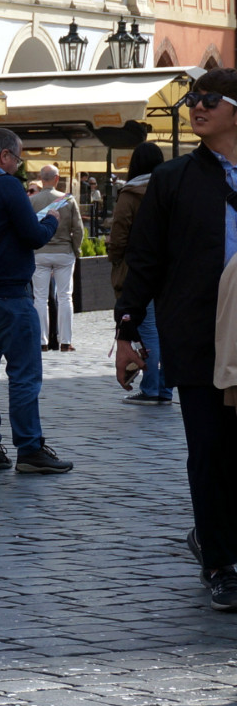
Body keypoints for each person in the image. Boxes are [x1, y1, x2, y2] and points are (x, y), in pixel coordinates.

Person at [113, 71, 237, 611]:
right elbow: (144, 261)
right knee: (209, 451)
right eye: (192, 100)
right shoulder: (173, 179)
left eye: (209, 99)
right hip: (197, 334)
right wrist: (126, 332)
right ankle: (220, 561)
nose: (196, 107)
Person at [0, 128, 72, 476]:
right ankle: (30, 449)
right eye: (17, 158)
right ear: (5, 155)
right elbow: (32, 235)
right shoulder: (7, 185)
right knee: (23, 374)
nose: (18, 165)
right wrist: (51, 220)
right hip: (8, 292)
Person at [107, 141, 170, 404]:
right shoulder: (169, 189)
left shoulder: (130, 194)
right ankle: (165, 388)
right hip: (171, 269)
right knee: (165, 330)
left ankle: (152, 388)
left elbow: (119, 235)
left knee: (149, 330)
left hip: (139, 270)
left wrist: (115, 258)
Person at [29, 165, 83, 353]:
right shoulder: (68, 200)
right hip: (63, 251)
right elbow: (78, 229)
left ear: (41, 178)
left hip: (40, 252)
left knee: (40, 298)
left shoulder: (33, 200)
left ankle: (41, 341)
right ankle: (66, 341)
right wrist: (75, 249)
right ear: (57, 178)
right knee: (65, 296)